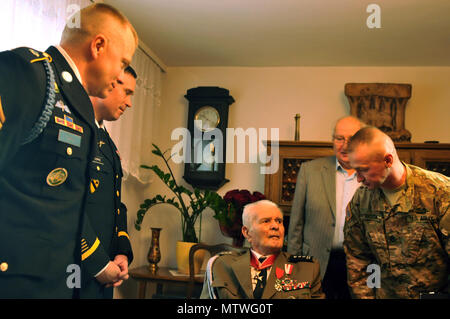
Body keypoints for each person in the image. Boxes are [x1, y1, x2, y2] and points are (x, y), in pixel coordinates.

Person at [0, 3, 137, 298]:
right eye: (123, 63)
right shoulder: (30, 74)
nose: (121, 74)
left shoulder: (79, 107)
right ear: (98, 46)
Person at [344, 127, 449, 299]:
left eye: (363, 170)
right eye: (355, 171)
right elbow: (360, 260)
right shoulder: (361, 201)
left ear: (388, 160)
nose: (359, 179)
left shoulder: (439, 193)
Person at [287, 116, 365, 299]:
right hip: (316, 263)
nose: (345, 145)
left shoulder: (371, 174)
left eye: (351, 139)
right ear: (333, 140)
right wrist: (293, 265)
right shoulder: (309, 171)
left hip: (359, 266)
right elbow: (296, 224)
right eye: (339, 138)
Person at [80, 66, 137, 298]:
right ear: (109, 82)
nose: (130, 103)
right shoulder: (74, 130)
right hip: (77, 268)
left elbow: (115, 205)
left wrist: (121, 252)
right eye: (127, 92)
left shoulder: (107, 143)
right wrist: (97, 262)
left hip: (104, 273)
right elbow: (66, 204)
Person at [201, 200, 324, 299]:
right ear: (247, 232)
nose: (275, 226)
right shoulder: (221, 265)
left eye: (279, 221)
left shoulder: (307, 269)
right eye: (266, 221)